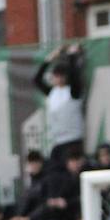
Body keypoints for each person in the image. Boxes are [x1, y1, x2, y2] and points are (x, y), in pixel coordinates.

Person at [35, 44, 85, 173]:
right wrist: (50, 59)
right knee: (53, 172)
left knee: (72, 172)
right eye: (56, 75)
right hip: (57, 141)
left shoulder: (73, 92)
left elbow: (75, 77)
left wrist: (71, 56)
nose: (59, 78)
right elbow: (37, 80)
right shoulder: (52, 92)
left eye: (61, 75)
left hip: (73, 141)